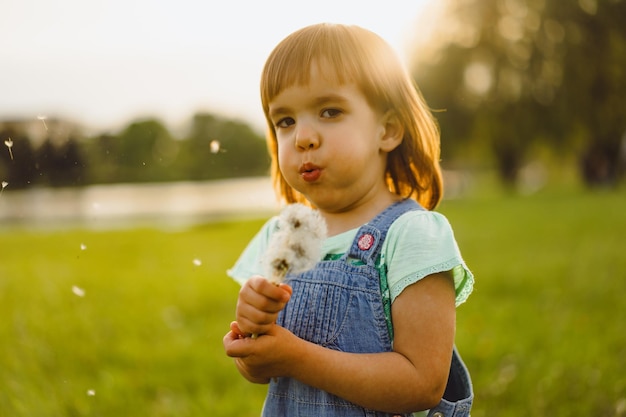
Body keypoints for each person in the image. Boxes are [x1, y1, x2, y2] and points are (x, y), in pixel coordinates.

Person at [223, 23, 474, 417]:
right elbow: (257, 369)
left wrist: (298, 357)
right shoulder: (283, 235)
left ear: (387, 129)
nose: (303, 136)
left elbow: (423, 383)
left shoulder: (410, 234)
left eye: (329, 111)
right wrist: (250, 332)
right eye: (285, 121)